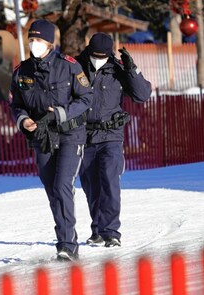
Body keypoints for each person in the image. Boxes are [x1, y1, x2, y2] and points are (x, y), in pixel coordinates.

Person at [9, 19, 93, 261]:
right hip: (42, 137)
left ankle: (67, 244)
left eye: (39, 40)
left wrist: (61, 113)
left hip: (70, 134)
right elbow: (15, 104)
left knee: (62, 186)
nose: (34, 44)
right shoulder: (21, 71)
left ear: (50, 43)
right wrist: (23, 120)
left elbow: (85, 98)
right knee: (52, 190)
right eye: (31, 40)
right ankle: (65, 236)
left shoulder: (69, 66)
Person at [75, 33, 152, 248]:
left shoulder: (118, 69)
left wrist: (132, 69)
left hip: (111, 136)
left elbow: (142, 94)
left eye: (102, 56)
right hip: (84, 135)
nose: (98, 59)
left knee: (109, 182)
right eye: (95, 55)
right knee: (91, 185)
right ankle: (98, 229)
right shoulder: (76, 66)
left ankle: (111, 232)